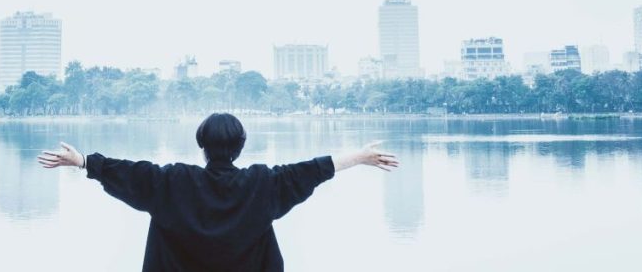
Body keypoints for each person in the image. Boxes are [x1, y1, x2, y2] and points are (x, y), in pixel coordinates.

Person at [38, 112, 399, 271]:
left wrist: (83, 161)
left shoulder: (171, 183)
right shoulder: (263, 185)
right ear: (241, 146)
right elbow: (314, 170)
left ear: (202, 145)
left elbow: (128, 172)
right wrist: (360, 157)